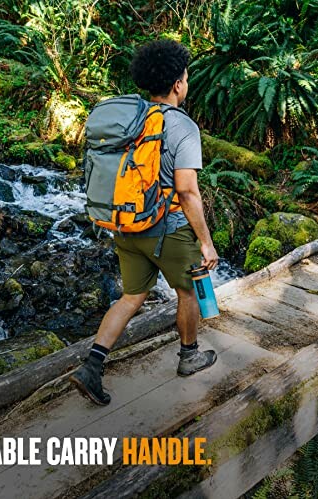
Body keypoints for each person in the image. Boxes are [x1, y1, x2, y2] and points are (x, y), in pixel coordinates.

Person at [72, 39, 219, 406]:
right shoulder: (182, 127)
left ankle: (92, 366)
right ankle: (189, 357)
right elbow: (187, 192)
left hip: (126, 225)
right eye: (185, 77)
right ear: (177, 84)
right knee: (187, 292)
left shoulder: (131, 118)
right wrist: (206, 241)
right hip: (166, 228)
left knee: (131, 296)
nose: (186, 82)